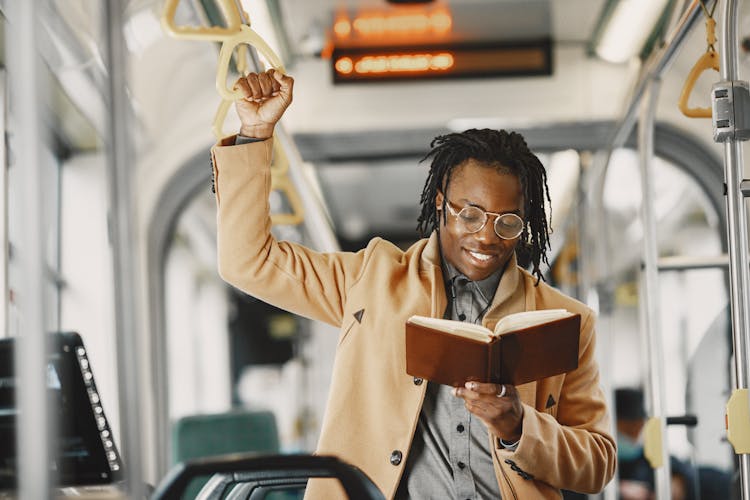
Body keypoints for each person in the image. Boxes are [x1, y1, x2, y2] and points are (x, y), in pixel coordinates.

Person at [211, 68, 616, 499]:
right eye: (471, 214)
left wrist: (519, 427)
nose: (486, 237)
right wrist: (255, 135)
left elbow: (598, 463)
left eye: (508, 222)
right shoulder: (371, 280)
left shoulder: (568, 321)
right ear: (441, 203)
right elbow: (248, 262)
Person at [615, 387, 697, 500]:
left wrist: (651, 495)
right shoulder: (594, 464)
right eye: (628, 428)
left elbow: (682, 481)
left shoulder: (649, 458)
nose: (635, 433)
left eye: (638, 426)